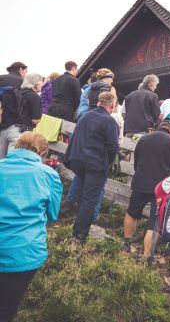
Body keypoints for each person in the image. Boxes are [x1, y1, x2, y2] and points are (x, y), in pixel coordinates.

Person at [0, 132, 62, 322]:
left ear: (17, 146)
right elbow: (52, 214)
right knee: (7, 307)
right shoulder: (49, 175)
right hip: (24, 251)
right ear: (42, 152)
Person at [122, 118, 170, 257]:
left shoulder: (144, 139)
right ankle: (146, 256)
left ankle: (126, 245)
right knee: (155, 221)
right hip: (162, 188)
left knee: (132, 213)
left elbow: (137, 161)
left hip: (141, 182)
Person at [65, 92, 119, 243]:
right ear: (112, 105)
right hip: (95, 163)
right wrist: (108, 162)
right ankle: (79, 234)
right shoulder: (109, 121)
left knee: (83, 194)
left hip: (77, 160)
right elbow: (113, 147)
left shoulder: (85, 116)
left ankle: (76, 224)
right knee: (90, 199)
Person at [0, 62, 28, 158]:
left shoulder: (1, 77)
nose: (26, 74)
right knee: (12, 157)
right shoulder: (21, 81)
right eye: (25, 71)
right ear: (21, 69)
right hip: (13, 122)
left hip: (1, 119)